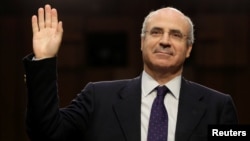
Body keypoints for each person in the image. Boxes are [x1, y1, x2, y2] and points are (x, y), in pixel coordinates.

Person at [23, 4, 238, 141]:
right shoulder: (98, 98)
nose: (164, 41)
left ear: (188, 48)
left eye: (175, 35)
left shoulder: (218, 107)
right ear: (142, 42)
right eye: (156, 32)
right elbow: (45, 134)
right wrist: (44, 60)